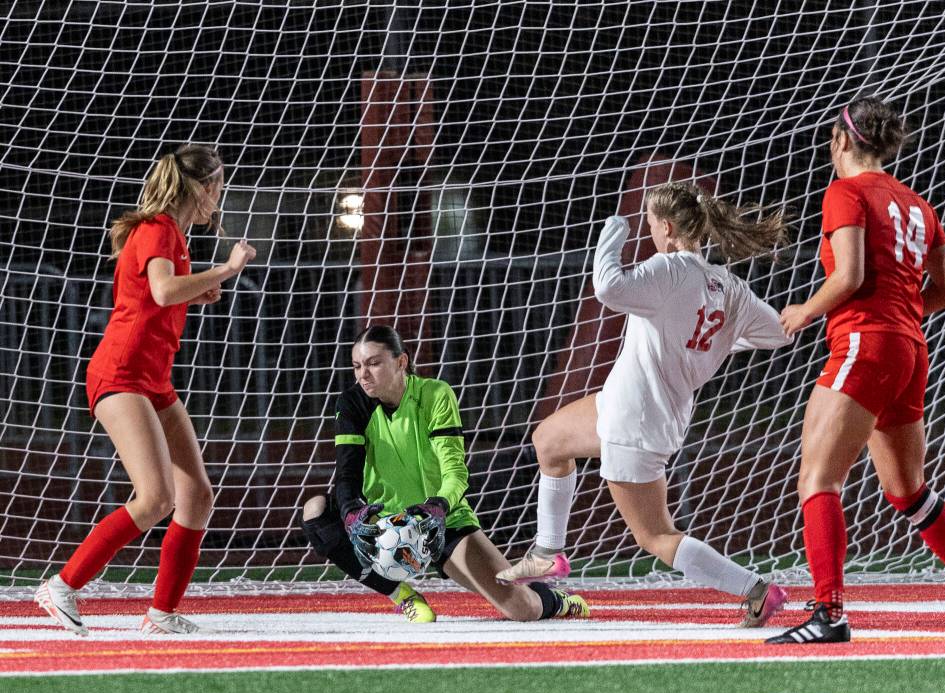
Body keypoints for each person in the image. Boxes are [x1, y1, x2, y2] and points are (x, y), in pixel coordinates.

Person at [766, 97, 945, 644]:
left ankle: (829, 614)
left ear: (840, 141)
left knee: (818, 478)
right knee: (906, 488)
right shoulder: (918, 204)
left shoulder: (845, 192)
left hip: (864, 343)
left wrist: (805, 312)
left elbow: (849, 274)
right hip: (909, 348)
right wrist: (901, 313)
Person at [497, 181, 791, 628]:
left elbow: (608, 288)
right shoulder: (730, 287)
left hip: (635, 419)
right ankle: (547, 553)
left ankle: (757, 590)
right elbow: (778, 332)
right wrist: (714, 343)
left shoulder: (670, 268)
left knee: (655, 535)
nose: (649, 231)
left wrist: (614, 229)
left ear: (667, 228)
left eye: (651, 224)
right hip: (633, 405)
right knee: (550, 441)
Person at [34, 144, 257, 636]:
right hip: (121, 374)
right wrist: (224, 270)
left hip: (152, 378)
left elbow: (157, 300)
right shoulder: (157, 228)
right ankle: (62, 586)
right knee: (156, 498)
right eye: (217, 188)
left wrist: (198, 290)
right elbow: (159, 291)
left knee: (196, 493)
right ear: (199, 188)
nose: (218, 200)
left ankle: (162, 614)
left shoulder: (173, 234)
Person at [301, 325, 589, 623]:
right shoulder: (351, 403)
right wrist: (350, 514)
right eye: (357, 366)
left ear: (401, 362)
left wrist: (437, 507)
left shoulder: (435, 394)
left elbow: (455, 472)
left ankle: (557, 600)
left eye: (374, 363)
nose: (363, 374)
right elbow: (346, 474)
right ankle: (403, 596)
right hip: (385, 522)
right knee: (315, 512)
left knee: (523, 609)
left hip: (441, 520)